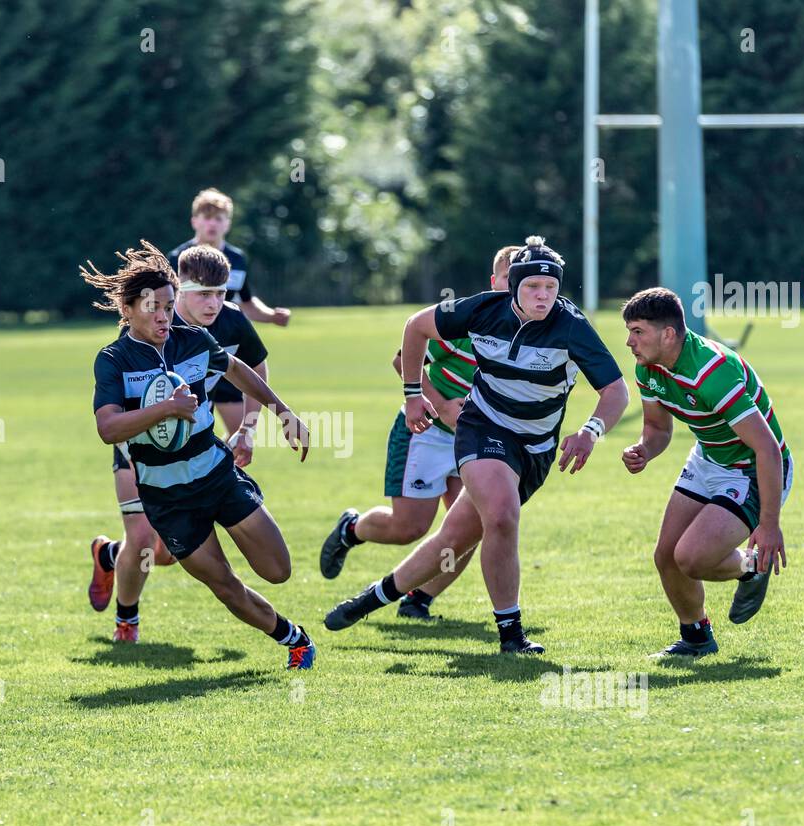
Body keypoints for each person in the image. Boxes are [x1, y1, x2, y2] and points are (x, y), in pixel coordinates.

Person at [325, 237, 629, 654]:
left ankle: (370, 600)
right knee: (501, 516)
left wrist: (591, 431)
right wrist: (414, 394)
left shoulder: (571, 327)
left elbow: (615, 390)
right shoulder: (483, 310)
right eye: (532, 287)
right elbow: (416, 327)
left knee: (452, 539)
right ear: (513, 286)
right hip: (481, 426)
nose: (543, 296)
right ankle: (511, 636)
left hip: (536, 448)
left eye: (550, 288)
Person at [83, 241, 316, 669]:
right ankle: (294, 639)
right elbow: (107, 428)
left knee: (278, 569)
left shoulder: (193, 340)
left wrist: (282, 412)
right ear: (128, 309)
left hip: (216, 476)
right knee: (223, 584)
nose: (163, 317)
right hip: (166, 497)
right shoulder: (113, 359)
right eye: (153, 307)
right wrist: (167, 408)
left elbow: (236, 369)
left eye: (169, 307)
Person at [319, 244, 522, 620]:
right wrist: (442, 405)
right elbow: (403, 359)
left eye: (525, 283)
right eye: (510, 281)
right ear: (494, 282)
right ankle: (352, 529)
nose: (517, 291)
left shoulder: (535, 331)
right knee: (408, 527)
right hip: (426, 431)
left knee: (469, 528)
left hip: (476, 444)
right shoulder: (465, 320)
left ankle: (419, 599)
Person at [620, 287, 792, 658]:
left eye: (637, 332)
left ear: (668, 334)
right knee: (666, 556)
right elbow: (657, 430)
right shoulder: (648, 367)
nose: (629, 342)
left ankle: (750, 567)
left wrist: (770, 524)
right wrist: (643, 451)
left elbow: (767, 449)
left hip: (751, 469)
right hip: (708, 458)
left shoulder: (712, 371)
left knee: (691, 558)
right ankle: (696, 638)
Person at [169, 188, 290, 435]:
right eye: (206, 216)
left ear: (228, 223)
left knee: (237, 434)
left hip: (225, 349)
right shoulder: (176, 258)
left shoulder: (238, 260)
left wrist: (270, 316)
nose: (212, 223)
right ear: (194, 221)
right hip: (188, 351)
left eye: (218, 218)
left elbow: (245, 302)